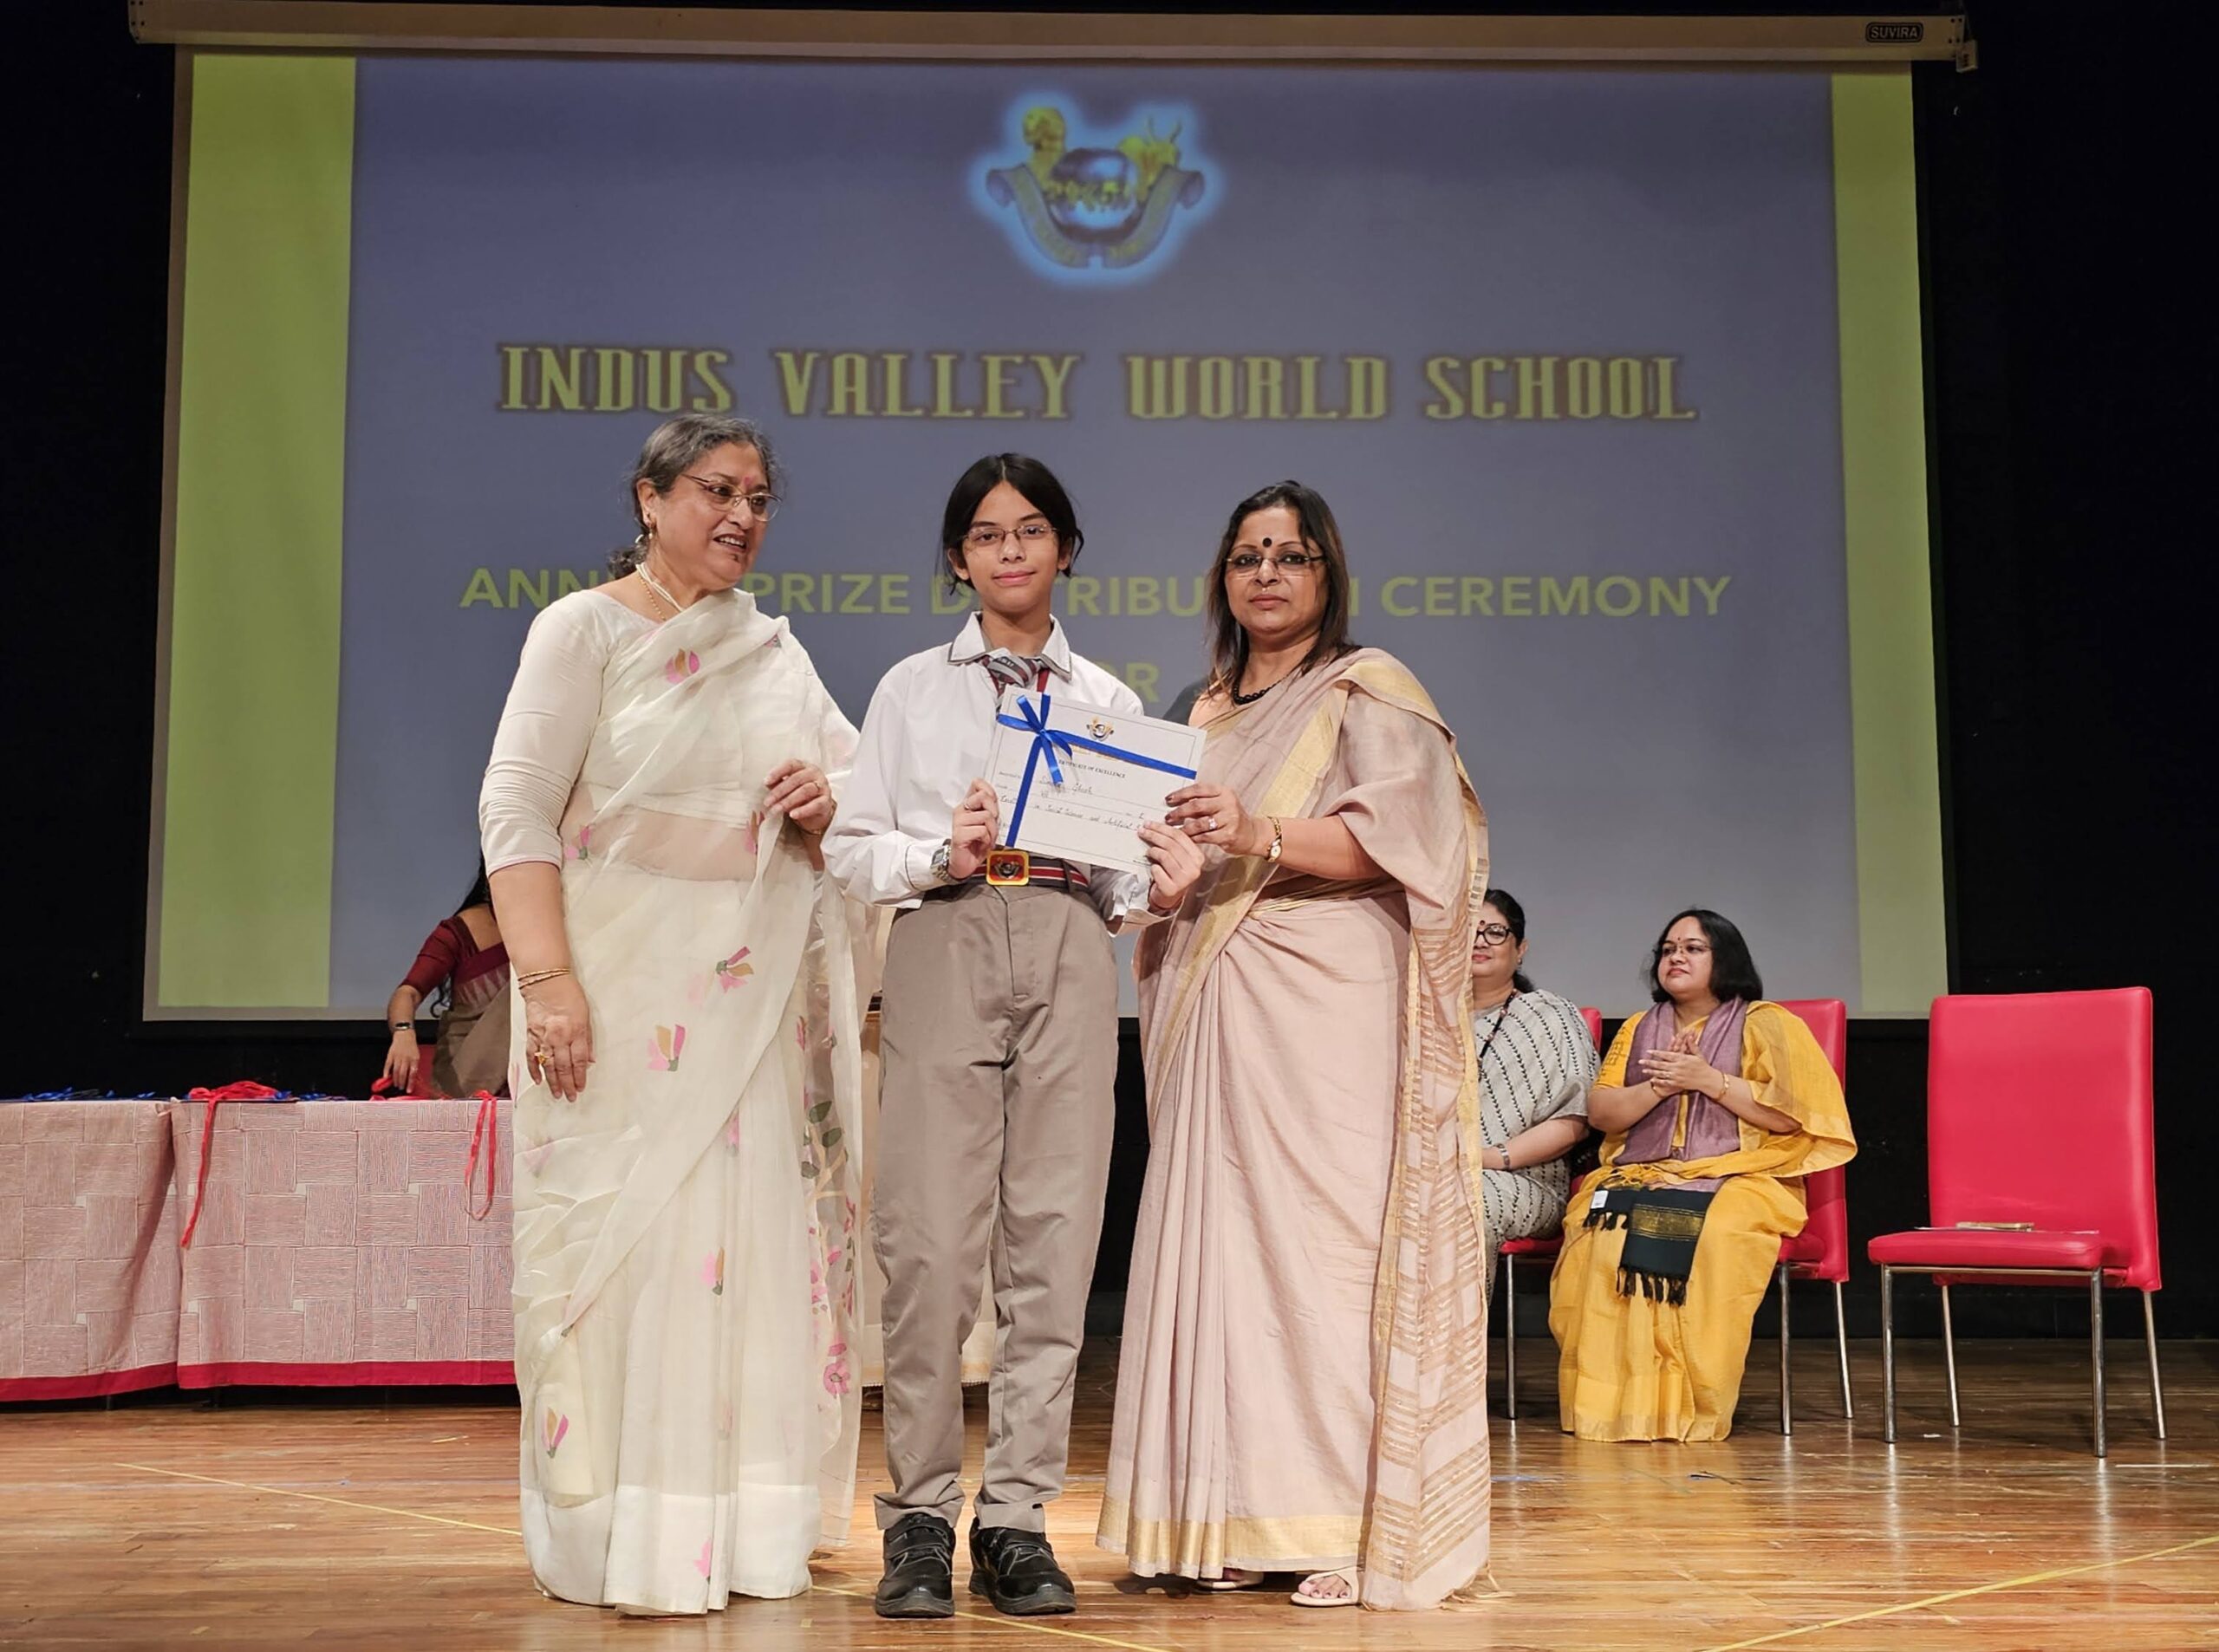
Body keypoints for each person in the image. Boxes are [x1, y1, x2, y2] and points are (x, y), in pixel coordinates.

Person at [478, 413, 868, 1615]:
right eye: (715, 490)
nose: (741, 515)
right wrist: (547, 981)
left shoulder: (773, 653)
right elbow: (517, 806)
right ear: (650, 499)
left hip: (744, 1003)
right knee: (615, 1253)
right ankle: (613, 1528)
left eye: (758, 497)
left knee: (733, 1249)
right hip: (610, 991)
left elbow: (862, 800)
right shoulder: (583, 628)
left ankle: (735, 1527)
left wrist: (826, 805)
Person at [1097, 480, 1492, 1611]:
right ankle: (1233, 1516)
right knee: (1224, 1262)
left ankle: (1344, 1523)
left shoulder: (1368, 688)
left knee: (1322, 1257)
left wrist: (1259, 830)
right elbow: (1174, 849)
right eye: (1247, 556)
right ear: (1222, 579)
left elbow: (1412, 841)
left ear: (1327, 573)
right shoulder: (1201, 711)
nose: (1266, 573)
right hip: (1215, 992)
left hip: (1327, 1001)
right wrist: (1169, 869)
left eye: (1290, 554)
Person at [823, 454, 1204, 1621]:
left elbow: (1129, 879)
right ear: (959, 558)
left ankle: (1018, 1518)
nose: (1009, 550)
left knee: (1053, 1238)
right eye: (986, 534)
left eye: (1030, 530)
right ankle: (920, 1515)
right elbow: (852, 848)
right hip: (944, 931)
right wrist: (940, 850)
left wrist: (1159, 881)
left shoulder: (1107, 701)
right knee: (930, 1244)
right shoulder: (910, 689)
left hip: (1069, 940)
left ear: (1065, 549)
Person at [1548, 908, 1855, 1442]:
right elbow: (1602, 1114)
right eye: (1668, 949)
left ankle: (1691, 1406)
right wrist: (1661, 1086)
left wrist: (1709, 1080)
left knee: (1712, 1230)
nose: (1676, 958)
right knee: (1601, 1232)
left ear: (1725, 958)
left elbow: (1792, 1114)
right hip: (1643, 1173)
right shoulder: (1640, 1028)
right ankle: (1610, 1408)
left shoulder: (1768, 1023)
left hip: (1745, 1176)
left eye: (1693, 948)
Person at [1470, 889, 1598, 1252]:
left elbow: (1574, 1121)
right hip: (1430, 1173)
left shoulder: (1550, 1015)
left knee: (1462, 1199)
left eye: (1495, 932)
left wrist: (1488, 1158)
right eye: (1468, 930)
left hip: (1524, 1181)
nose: (1480, 941)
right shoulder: (1424, 1018)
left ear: (1520, 949)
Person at [380, 858, 511, 1097]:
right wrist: (403, 1031)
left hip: (538, 1074)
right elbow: (408, 993)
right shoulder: (458, 931)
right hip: (465, 1074)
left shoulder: (551, 929)